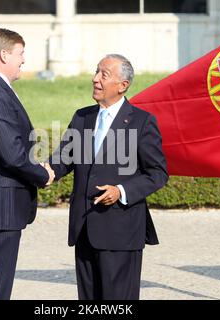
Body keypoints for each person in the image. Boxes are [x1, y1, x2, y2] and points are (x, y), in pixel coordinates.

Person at [49, 54, 168, 300]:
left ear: (122, 85)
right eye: (96, 72)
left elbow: (157, 174)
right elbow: (63, 159)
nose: (95, 79)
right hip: (84, 228)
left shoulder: (142, 122)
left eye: (104, 75)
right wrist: (42, 171)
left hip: (121, 232)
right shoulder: (82, 117)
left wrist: (121, 191)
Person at [0, 28, 55, 300]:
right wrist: (42, 174)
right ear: (3, 55)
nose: (24, 60)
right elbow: (12, 154)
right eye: (20, 53)